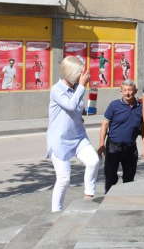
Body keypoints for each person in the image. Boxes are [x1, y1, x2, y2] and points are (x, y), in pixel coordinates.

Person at [46, 56, 99, 212]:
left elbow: (75, 107)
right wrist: (82, 86)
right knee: (63, 179)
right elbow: (69, 105)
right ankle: (56, 212)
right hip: (60, 139)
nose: (81, 76)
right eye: (79, 72)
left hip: (78, 136)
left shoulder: (76, 87)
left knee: (93, 161)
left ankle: (89, 196)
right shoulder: (57, 89)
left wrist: (85, 111)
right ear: (71, 72)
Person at [97, 79, 144, 194]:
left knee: (129, 180)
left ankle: (125, 201)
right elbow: (105, 125)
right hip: (113, 147)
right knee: (110, 178)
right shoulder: (114, 105)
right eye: (124, 90)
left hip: (130, 149)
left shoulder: (141, 107)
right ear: (121, 92)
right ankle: (108, 198)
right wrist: (101, 144)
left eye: (130, 90)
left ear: (135, 91)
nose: (127, 93)